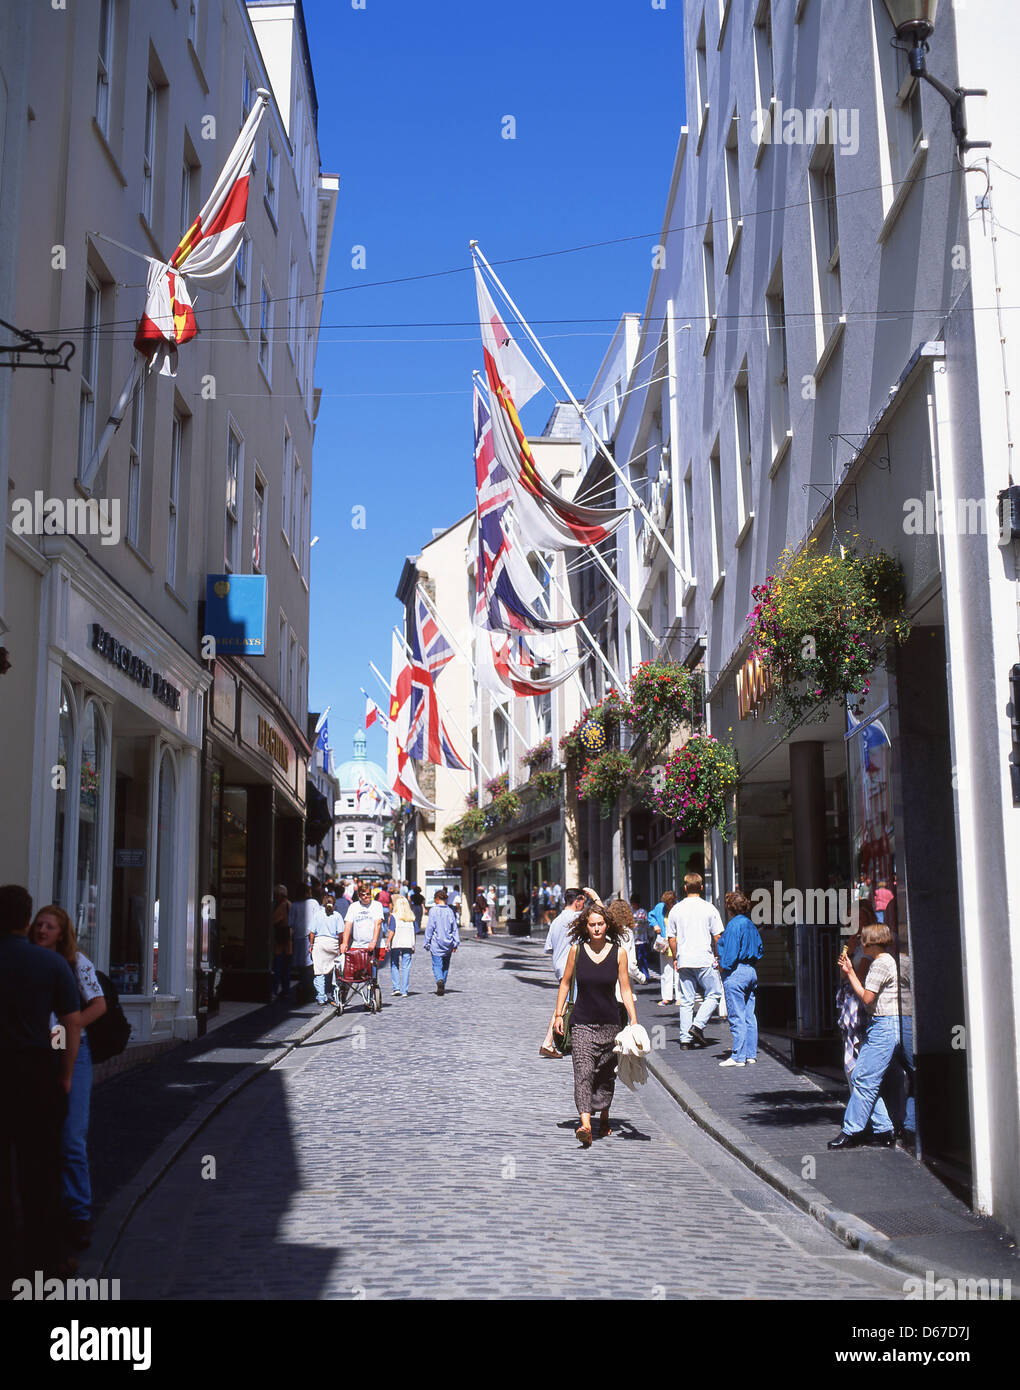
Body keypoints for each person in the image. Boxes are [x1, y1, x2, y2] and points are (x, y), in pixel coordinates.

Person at [0, 884, 83, 1279]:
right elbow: (70, 1023)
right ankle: (45, 1258)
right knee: (41, 1170)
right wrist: (65, 1073)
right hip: (35, 1074)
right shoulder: (49, 965)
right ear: (27, 920)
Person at [30, 904, 108, 1248]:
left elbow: (99, 1004)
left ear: (62, 933)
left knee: (72, 1137)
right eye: (39, 925)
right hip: (35, 1053)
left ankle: (78, 1213)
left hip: (72, 1052)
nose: (42, 931)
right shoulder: (26, 960)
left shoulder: (77, 961)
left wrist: (73, 1023)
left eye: (49, 927)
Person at [552, 901, 638, 1147]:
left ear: (606, 925)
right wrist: (558, 1014)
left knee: (604, 1076)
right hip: (582, 1023)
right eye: (592, 925)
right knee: (583, 1073)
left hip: (611, 1023)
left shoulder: (618, 952)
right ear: (586, 927)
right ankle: (585, 1124)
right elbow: (565, 983)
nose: (597, 928)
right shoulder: (576, 952)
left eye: (601, 924)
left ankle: (604, 1115)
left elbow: (624, 986)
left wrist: (634, 1020)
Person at [828, 922, 910, 1149]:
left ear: (870, 943)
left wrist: (851, 973)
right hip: (888, 1024)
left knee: (863, 1078)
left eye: (864, 940)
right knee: (869, 1079)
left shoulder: (880, 964)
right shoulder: (890, 961)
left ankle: (852, 1130)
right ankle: (884, 1129)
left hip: (882, 1025)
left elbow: (866, 998)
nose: (861, 944)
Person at [667, 873, 724, 1048]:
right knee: (714, 993)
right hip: (704, 958)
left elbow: (671, 938)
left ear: (684, 888)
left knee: (686, 1000)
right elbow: (717, 936)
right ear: (701, 887)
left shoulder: (676, 909)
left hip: (684, 959)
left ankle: (685, 1039)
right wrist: (719, 957)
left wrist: (676, 957)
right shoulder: (709, 908)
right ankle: (698, 1025)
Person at [716, 891, 764, 1068]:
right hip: (750, 970)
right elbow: (760, 949)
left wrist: (721, 965)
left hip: (736, 972)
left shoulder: (733, 925)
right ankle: (751, 1054)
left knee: (737, 1015)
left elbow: (730, 954)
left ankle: (738, 1055)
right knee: (749, 1014)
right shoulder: (750, 924)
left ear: (729, 909)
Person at [539, 887, 587, 1058]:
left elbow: (549, 948)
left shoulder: (556, 920)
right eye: (584, 901)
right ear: (578, 901)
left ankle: (575, 1039)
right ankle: (548, 1042)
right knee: (565, 1003)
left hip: (559, 966)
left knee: (568, 1002)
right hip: (572, 966)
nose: (584, 905)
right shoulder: (578, 918)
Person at [836, 900, 875, 1083]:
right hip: (849, 1001)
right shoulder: (847, 943)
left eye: (858, 917)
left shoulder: (871, 942)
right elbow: (842, 975)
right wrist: (849, 952)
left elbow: (860, 975)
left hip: (864, 1000)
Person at [424, 888, 460, 995]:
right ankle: (442, 982)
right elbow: (454, 928)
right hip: (448, 943)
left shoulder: (433, 910)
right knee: (445, 965)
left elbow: (430, 927)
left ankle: (439, 979)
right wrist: (456, 942)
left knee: (436, 964)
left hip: (436, 943)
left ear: (437, 899)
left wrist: (427, 941)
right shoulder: (450, 911)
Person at [310, 893, 342, 1006]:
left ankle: (321, 997)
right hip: (333, 944)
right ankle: (335, 995)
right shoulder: (337, 915)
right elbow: (340, 933)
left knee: (319, 971)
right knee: (334, 971)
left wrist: (311, 945)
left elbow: (312, 932)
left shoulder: (317, 915)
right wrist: (341, 945)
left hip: (319, 943)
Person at [341, 882, 385, 957]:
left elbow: (378, 923)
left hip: (374, 945)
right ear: (358, 895)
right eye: (363, 894)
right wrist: (345, 942)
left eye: (368, 894)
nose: (365, 896)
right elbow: (348, 925)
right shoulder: (353, 906)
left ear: (371, 894)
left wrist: (374, 941)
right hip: (357, 945)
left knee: (372, 967)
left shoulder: (377, 905)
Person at [648, 890, 677, 1005]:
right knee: (666, 970)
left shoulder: (679, 908)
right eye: (666, 904)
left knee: (679, 970)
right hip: (665, 942)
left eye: (670, 904)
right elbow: (651, 915)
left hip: (677, 941)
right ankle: (667, 997)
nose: (668, 906)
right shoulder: (660, 907)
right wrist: (655, 924)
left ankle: (680, 996)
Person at [386, 894, 417, 996]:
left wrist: (387, 942)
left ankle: (396, 988)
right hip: (408, 943)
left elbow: (392, 931)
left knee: (394, 964)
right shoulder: (411, 917)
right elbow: (414, 932)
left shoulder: (394, 916)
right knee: (406, 967)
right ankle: (404, 990)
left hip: (397, 943)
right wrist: (413, 944)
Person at [271, 884, 292, 999]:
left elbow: (274, 919)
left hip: (281, 939)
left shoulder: (282, 905)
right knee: (286, 967)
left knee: (278, 965)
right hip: (289, 940)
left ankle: (275, 989)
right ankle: (286, 989)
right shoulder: (290, 904)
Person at [630, 895, 650, 980]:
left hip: (642, 939)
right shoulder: (630, 912)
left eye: (634, 904)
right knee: (635, 959)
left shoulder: (642, 912)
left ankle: (645, 975)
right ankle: (637, 976)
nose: (633, 905)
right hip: (633, 940)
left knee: (643, 958)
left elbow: (647, 924)